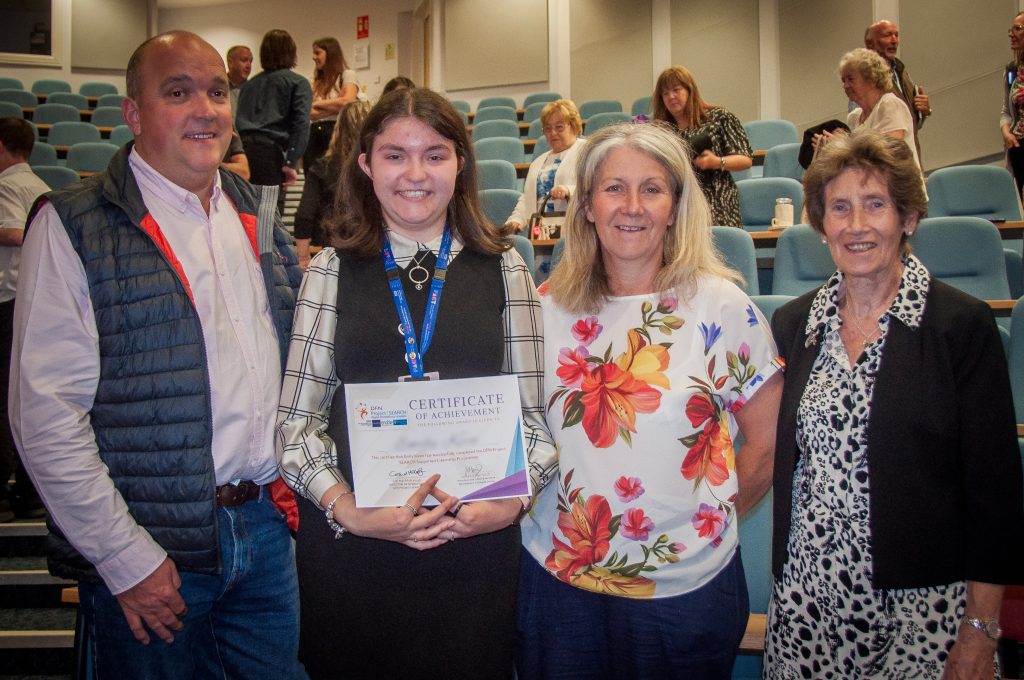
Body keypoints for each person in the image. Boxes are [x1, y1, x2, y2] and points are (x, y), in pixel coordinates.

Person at [11, 31, 305, 678]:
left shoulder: (257, 218)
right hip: (151, 546)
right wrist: (124, 558)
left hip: (263, 534)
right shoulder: (72, 225)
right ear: (135, 114)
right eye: (178, 92)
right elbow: (45, 416)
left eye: (217, 91)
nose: (206, 108)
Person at [278, 87, 556, 680]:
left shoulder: (506, 267)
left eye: (434, 154)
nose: (415, 173)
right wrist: (347, 510)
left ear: (460, 163)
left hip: (474, 554)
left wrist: (510, 503)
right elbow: (295, 427)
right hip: (358, 553)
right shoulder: (329, 269)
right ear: (365, 166)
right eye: (395, 155)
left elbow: (535, 420)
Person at [517, 121, 783, 678]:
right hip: (559, 584)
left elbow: (766, 443)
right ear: (586, 205)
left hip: (687, 589)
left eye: (652, 189)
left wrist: (707, 524)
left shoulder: (721, 306)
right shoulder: (542, 311)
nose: (631, 206)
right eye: (614, 188)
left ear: (675, 205)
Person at [763, 130, 1024, 679]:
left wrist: (979, 634)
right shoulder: (793, 326)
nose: (857, 226)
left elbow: (994, 494)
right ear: (821, 223)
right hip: (809, 610)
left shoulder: (960, 327)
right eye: (840, 208)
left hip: (923, 615)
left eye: (875, 204)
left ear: (907, 219)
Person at [0, 117, 49, 523]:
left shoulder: (7, 186)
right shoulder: (40, 185)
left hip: (9, 299)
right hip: (30, 298)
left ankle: (15, 488)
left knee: (9, 396)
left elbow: (15, 232)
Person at [651, 66, 753, 227]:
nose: (671, 97)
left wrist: (716, 162)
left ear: (690, 90)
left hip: (718, 203)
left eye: (676, 90)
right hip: (681, 205)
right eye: (665, 93)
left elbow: (745, 160)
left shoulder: (719, 117)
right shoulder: (664, 131)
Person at [236, 29, 311, 210]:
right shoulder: (298, 83)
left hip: (243, 153)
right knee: (270, 215)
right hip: (271, 155)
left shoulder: (248, 85)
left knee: (245, 213)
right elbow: (301, 123)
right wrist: (291, 162)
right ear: (291, 52)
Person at [293, 99, 370, 269]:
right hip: (374, 252)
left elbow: (304, 215)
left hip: (333, 255)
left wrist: (303, 257)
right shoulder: (378, 167)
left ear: (338, 129)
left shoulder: (323, 167)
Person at [835, 48, 922, 173]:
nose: (845, 86)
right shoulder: (854, 117)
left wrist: (844, 147)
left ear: (871, 78)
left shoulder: (889, 104)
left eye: (850, 79)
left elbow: (888, 155)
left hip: (901, 188)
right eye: (843, 81)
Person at [504, 99, 586, 232]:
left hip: (576, 233)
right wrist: (516, 220)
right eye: (547, 129)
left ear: (574, 125)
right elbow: (528, 198)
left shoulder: (587, 151)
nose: (553, 133)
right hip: (540, 233)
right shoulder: (537, 162)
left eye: (559, 127)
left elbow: (597, 189)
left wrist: (569, 190)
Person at [865, 20, 930, 159]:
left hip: (911, 160)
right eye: (887, 35)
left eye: (896, 35)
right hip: (886, 163)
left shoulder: (903, 73)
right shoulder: (863, 78)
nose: (894, 40)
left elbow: (909, 125)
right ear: (870, 43)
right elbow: (861, 128)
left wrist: (923, 113)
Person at [303, 37, 359, 172]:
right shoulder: (314, 82)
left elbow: (348, 102)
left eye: (317, 53)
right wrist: (336, 106)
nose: (313, 57)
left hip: (337, 134)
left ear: (330, 53)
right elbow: (310, 113)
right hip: (314, 136)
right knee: (314, 179)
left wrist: (318, 103)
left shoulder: (347, 75)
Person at [1001, 11, 1024, 197]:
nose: (1011, 34)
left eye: (1018, 29)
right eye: (1012, 29)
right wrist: (1006, 132)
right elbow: (1006, 111)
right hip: (1018, 148)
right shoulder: (1012, 70)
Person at [225, 44, 253, 122]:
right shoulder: (218, 88)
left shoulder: (255, 90)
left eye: (250, 61)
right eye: (244, 60)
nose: (248, 65)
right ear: (230, 62)